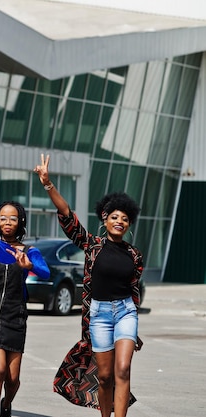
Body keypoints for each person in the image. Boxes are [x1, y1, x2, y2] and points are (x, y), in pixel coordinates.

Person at [33, 153, 143, 417]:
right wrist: (48, 184)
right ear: (105, 219)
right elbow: (67, 215)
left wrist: (135, 323)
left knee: (123, 369)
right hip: (99, 315)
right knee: (104, 376)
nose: (120, 221)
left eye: (125, 219)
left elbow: (134, 291)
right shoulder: (92, 245)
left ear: (128, 225)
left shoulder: (134, 255)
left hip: (125, 312)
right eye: (115, 217)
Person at [0, 151, 50, 417]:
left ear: (20, 223)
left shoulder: (29, 250)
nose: (7, 222)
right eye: (2, 218)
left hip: (16, 316)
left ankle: (7, 403)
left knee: (13, 379)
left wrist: (29, 266)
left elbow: (45, 272)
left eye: (12, 218)